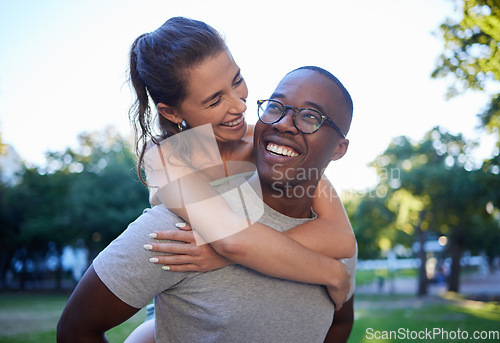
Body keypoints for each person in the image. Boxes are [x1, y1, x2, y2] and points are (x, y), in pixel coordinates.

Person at [57, 16, 356, 343]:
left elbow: (341, 238)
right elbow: (233, 240)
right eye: (215, 100)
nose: (238, 104)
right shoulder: (167, 159)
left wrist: (219, 254)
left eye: (237, 80)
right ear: (172, 112)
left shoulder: (267, 140)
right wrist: (333, 273)